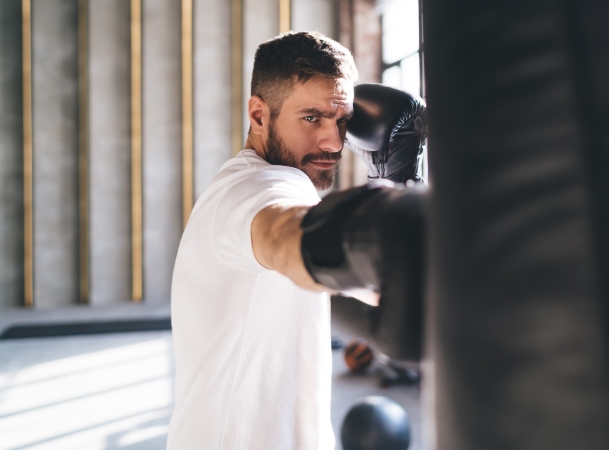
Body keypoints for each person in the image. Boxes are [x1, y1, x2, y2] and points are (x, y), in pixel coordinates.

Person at [167, 31, 426, 449]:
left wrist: (391, 185)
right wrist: (383, 222)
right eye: (312, 118)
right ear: (258, 115)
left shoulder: (281, 183)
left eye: (342, 121)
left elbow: (378, 286)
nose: (334, 142)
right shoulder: (253, 191)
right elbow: (281, 234)